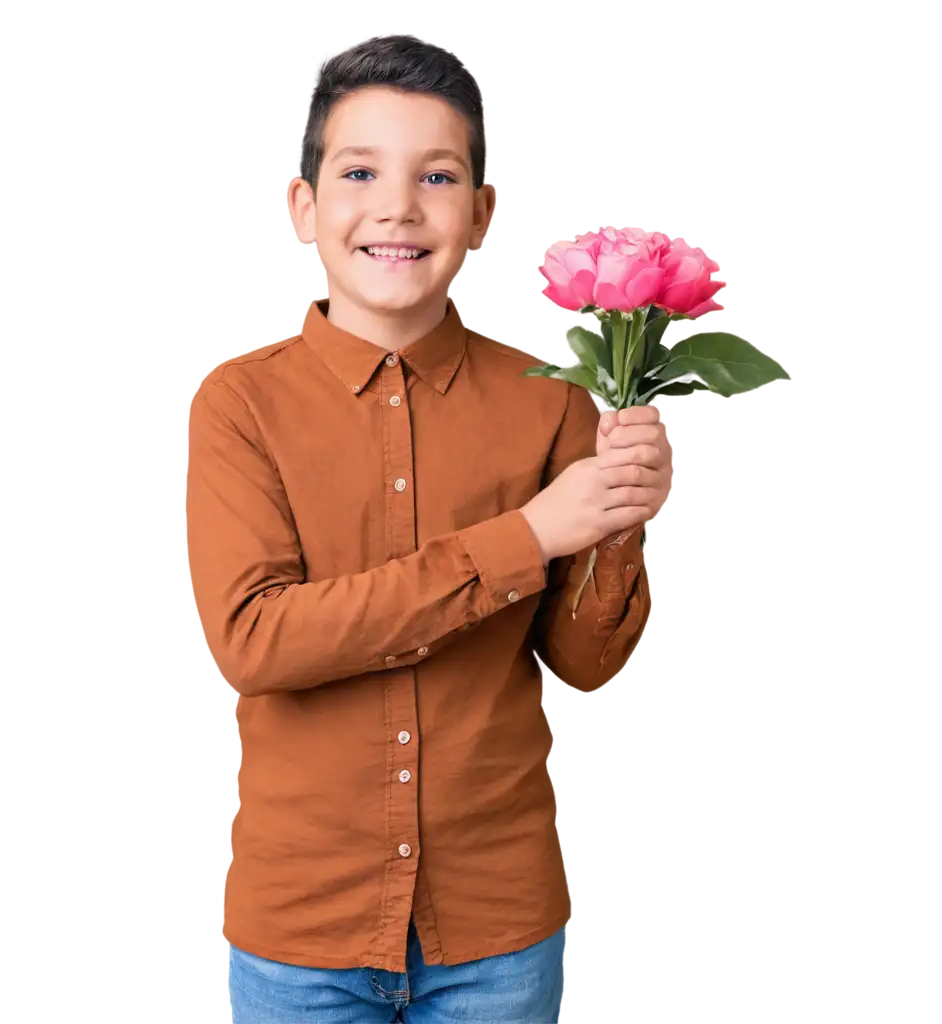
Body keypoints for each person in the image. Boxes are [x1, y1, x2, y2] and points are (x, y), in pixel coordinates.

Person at [182, 30, 670, 1024]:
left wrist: (615, 513)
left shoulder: (550, 402)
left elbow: (580, 663)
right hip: (299, 936)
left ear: (481, 212)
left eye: (436, 175)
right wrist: (525, 537)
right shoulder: (238, 402)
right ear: (301, 207)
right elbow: (254, 638)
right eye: (360, 170)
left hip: (496, 931)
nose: (399, 205)